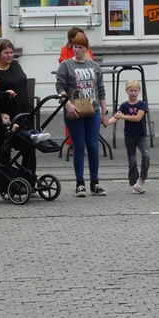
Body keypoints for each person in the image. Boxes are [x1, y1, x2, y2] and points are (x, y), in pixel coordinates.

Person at [56, 33, 109, 197]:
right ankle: (80, 184)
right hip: (74, 110)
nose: (76, 50)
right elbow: (60, 88)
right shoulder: (66, 65)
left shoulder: (94, 66)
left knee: (93, 146)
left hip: (93, 110)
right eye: (75, 47)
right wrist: (68, 105)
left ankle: (95, 182)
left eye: (80, 47)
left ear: (86, 49)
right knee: (79, 146)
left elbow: (100, 90)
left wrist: (105, 112)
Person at [0, 39, 36, 171]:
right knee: (6, 148)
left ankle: (28, 176)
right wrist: (4, 94)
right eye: (6, 53)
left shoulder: (16, 65)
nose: (10, 55)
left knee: (31, 146)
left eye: (11, 52)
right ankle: (4, 175)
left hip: (24, 112)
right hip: (8, 117)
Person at [107, 79, 150, 194]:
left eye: (135, 90)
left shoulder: (142, 105)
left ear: (139, 91)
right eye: (131, 90)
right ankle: (135, 184)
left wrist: (123, 117)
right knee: (132, 160)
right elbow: (116, 117)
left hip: (141, 136)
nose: (133, 93)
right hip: (129, 136)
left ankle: (142, 179)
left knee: (146, 155)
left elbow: (137, 118)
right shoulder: (124, 105)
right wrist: (107, 122)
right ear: (127, 91)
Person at [58, 27, 94, 152]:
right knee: (73, 119)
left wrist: (86, 50)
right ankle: (73, 144)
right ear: (72, 38)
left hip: (87, 95)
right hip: (73, 93)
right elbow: (63, 63)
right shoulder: (65, 50)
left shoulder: (86, 49)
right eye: (79, 36)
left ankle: (83, 144)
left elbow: (91, 65)